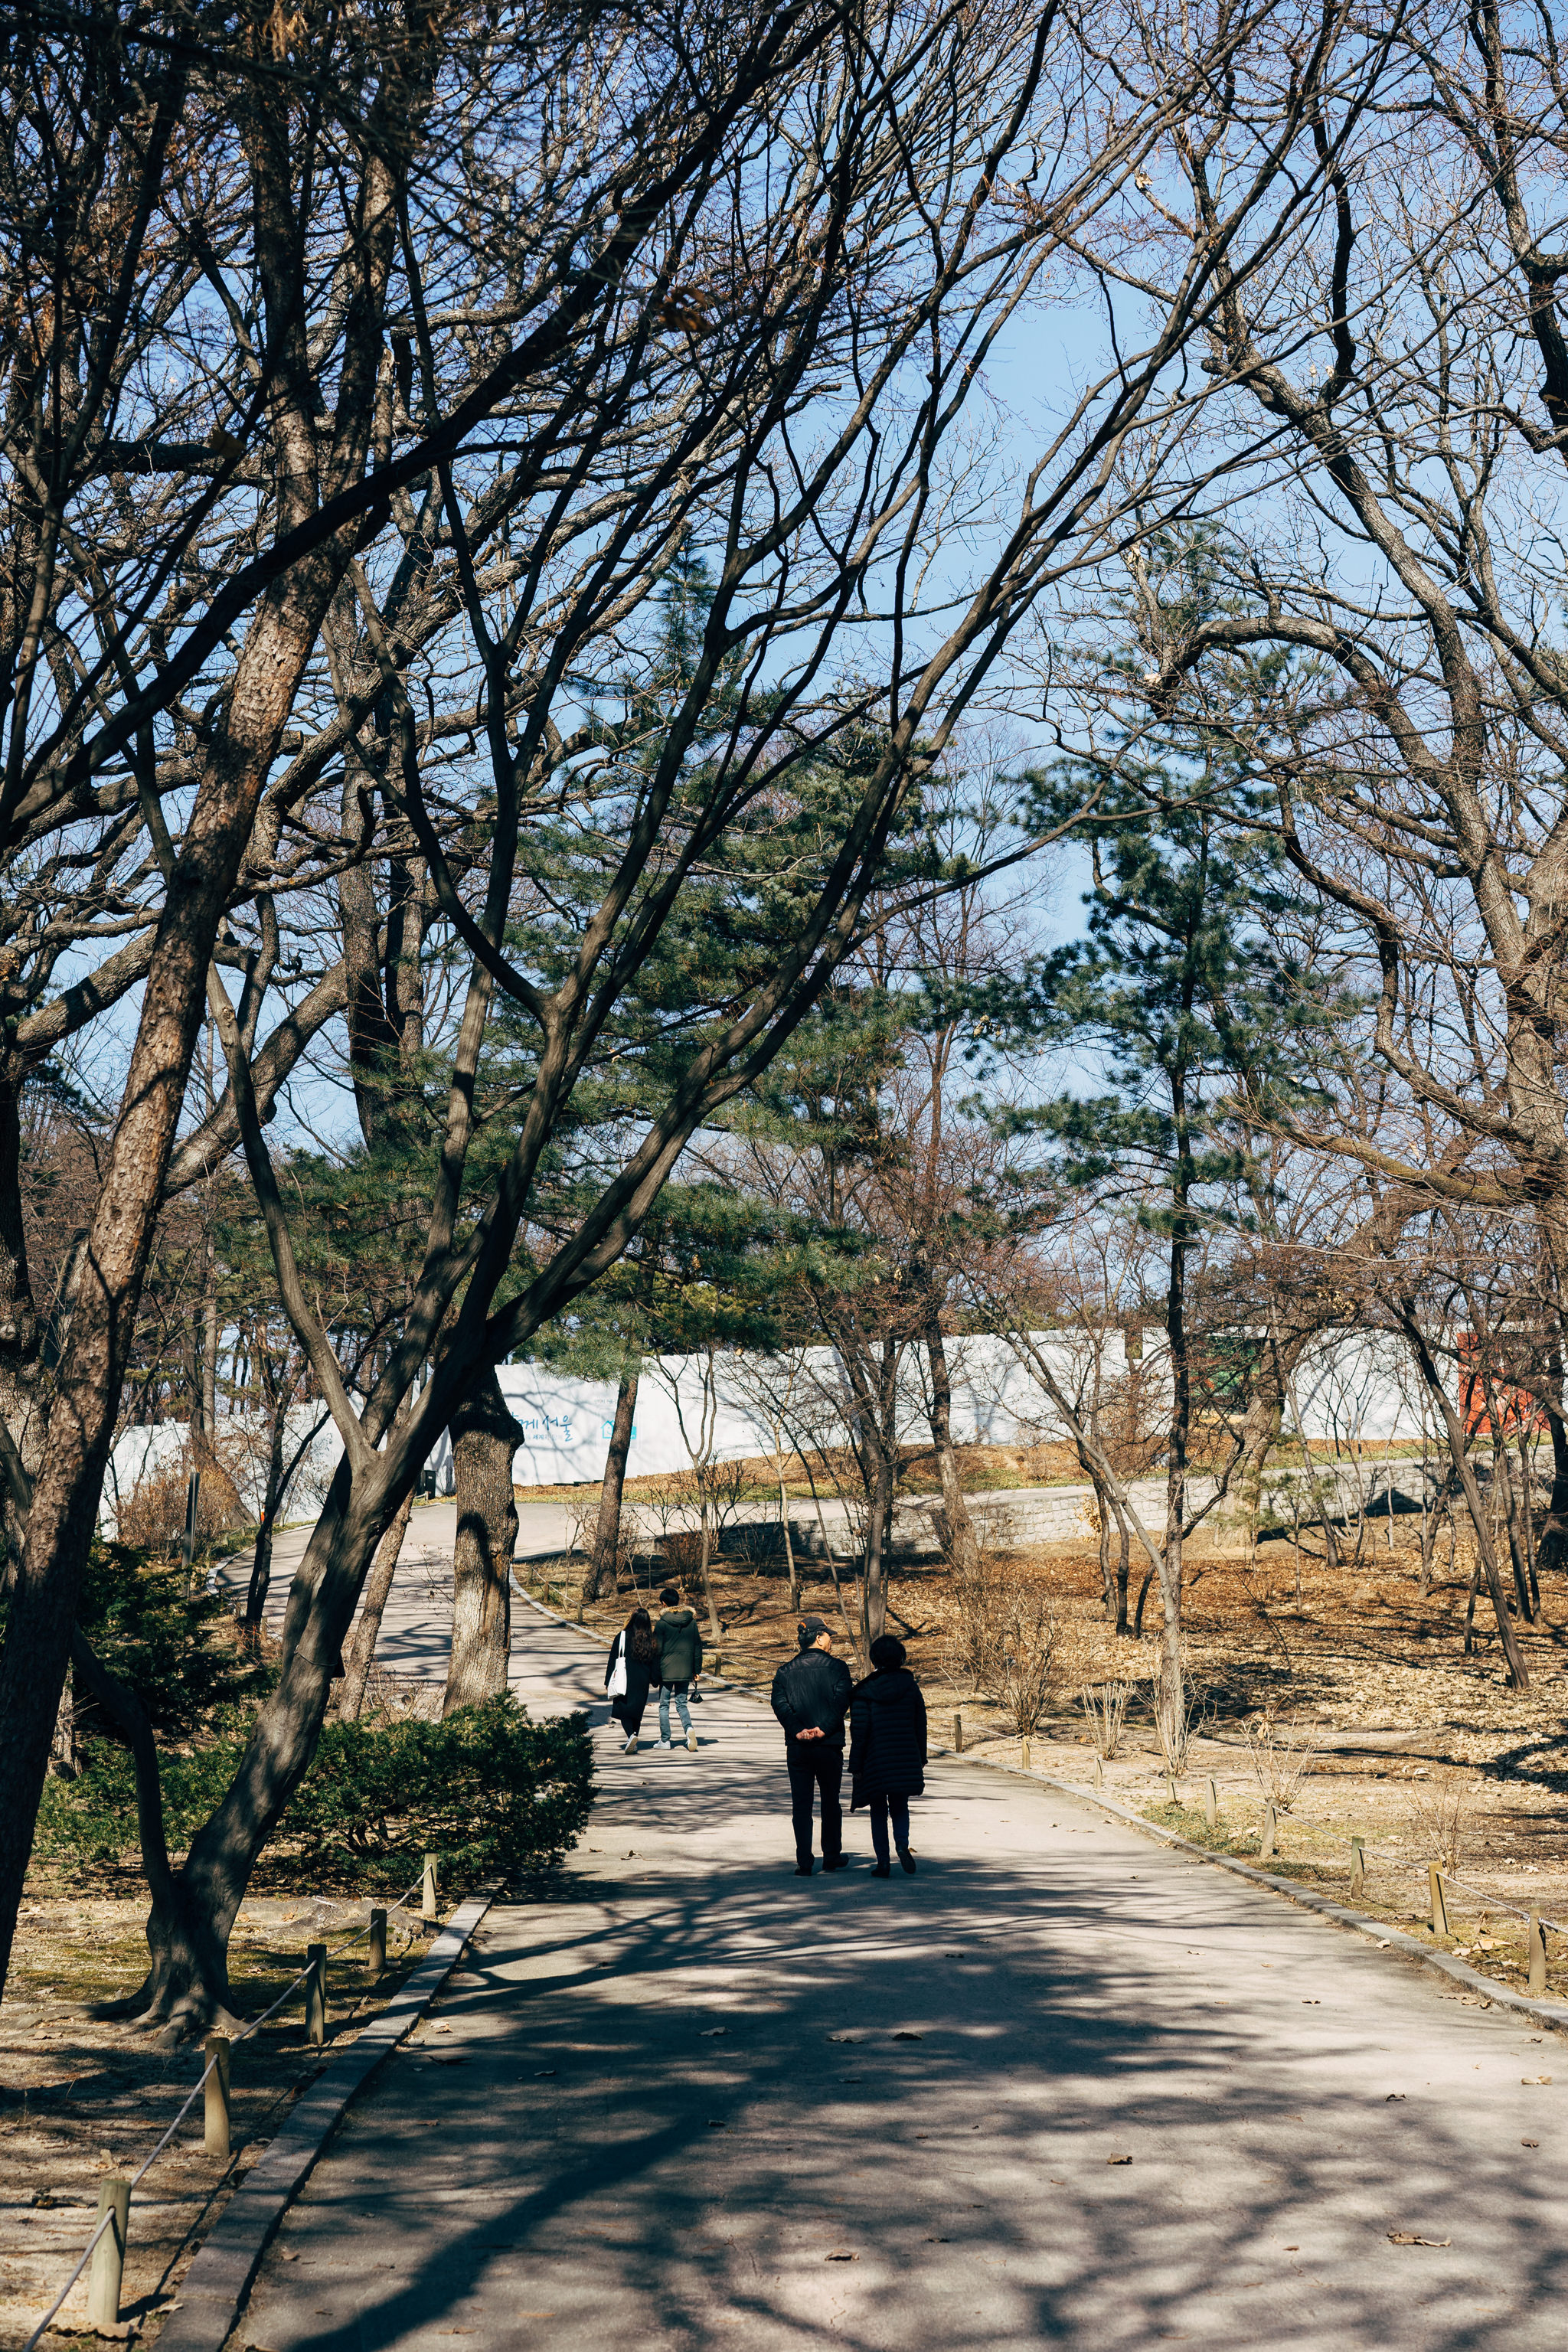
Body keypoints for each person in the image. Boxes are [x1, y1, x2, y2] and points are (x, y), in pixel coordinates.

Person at [770, 1616, 854, 1876]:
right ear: (819, 1638)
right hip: (829, 1745)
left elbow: (780, 1704)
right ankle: (831, 1855)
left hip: (798, 1747)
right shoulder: (839, 1668)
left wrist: (797, 1730)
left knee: (801, 1804)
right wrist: (824, 1728)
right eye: (829, 1636)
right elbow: (842, 1702)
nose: (831, 1640)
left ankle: (804, 1861)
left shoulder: (784, 1671)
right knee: (831, 1801)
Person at [848, 1632, 927, 1876]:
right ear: (901, 1658)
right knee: (900, 1805)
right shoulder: (911, 1687)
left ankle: (883, 1861)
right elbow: (920, 1724)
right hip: (905, 1755)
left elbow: (859, 1730)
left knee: (878, 1810)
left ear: (875, 1660)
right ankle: (902, 1844)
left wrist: (856, 1762)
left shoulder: (865, 1691)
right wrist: (920, 1756)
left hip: (875, 1759)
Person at [653, 1584, 704, 1750]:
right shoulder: (692, 1622)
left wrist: (654, 1672)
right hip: (685, 1669)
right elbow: (697, 1647)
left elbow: (656, 1650)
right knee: (682, 1704)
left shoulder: (662, 1624)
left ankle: (665, 1740)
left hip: (666, 1670)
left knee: (664, 1705)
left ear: (663, 1604)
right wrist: (697, 1670)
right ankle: (688, 1729)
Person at [605, 1606, 658, 1753]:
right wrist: (655, 1679)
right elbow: (654, 1662)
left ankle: (631, 1736)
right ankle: (633, 1739)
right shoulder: (651, 1640)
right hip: (642, 1681)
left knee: (623, 1711)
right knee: (636, 1713)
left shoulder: (622, 1636)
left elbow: (613, 1659)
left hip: (624, 1678)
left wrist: (607, 1680)